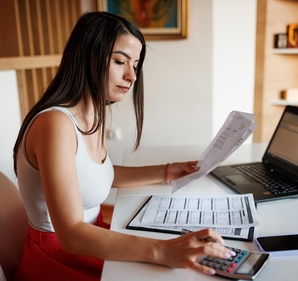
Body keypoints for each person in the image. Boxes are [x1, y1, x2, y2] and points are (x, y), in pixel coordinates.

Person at [12, 11, 235, 281]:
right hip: (59, 256)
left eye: (136, 65)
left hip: (90, 238)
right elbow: (70, 234)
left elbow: (94, 175)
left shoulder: (90, 114)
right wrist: (162, 251)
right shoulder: (55, 124)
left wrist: (166, 171)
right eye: (120, 61)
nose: (132, 76)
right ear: (87, 57)